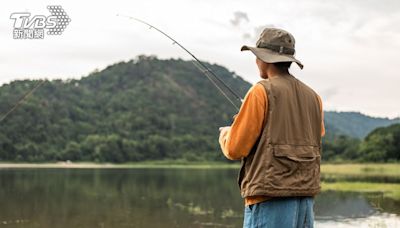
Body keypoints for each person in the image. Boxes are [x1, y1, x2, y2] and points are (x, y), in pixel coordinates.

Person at [218, 28, 325, 228]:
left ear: (264, 59)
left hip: (270, 197)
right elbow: (315, 135)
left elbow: (235, 148)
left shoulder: (260, 91)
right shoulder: (314, 97)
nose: (256, 61)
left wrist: (226, 134)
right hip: (304, 199)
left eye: (256, 56)